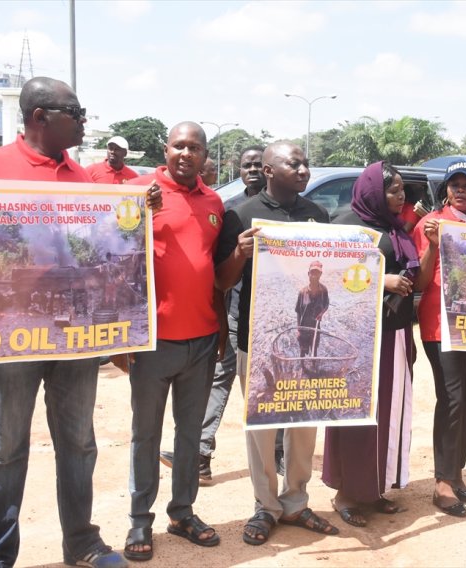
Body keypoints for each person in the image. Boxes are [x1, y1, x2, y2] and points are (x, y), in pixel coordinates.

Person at [0, 76, 127, 568]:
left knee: (78, 443)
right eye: (76, 113)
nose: (82, 122)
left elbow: (105, 251)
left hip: (74, 336)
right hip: (12, 335)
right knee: (5, 448)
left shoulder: (82, 179)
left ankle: (81, 542)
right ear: (40, 117)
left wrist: (132, 219)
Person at [216, 141, 339, 545]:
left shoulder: (317, 216)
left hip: (309, 338)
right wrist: (239, 251)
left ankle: (297, 501)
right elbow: (222, 281)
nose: (304, 169)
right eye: (294, 163)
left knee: (304, 422)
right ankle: (265, 506)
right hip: (259, 338)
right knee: (262, 427)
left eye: (305, 163)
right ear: (268, 170)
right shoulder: (240, 214)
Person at [115, 122, 224, 561]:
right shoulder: (139, 192)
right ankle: (140, 520)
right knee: (146, 435)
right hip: (153, 341)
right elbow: (114, 256)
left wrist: (220, 331)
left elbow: (215, 272)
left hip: (202, 339)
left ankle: (182, 513)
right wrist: (138, 214)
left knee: (188, 435)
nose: (185, 153)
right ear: (167, 149)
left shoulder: (215, 201)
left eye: (194, 147)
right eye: (179, 145)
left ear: (204, 156)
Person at [159, 146, 272, 482]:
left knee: (266, 383)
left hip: (270, 313)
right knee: (221, 377)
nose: (251, 170)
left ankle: (276, 453)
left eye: (257, 164)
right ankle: (201, 453)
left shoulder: (279, 207)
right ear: (239, 170)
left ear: (267, 169)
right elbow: (217, 268)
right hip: (233, 307)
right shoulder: (231, 210)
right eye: (246, 165)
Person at [324, 161, 418, 527]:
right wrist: (385, 281)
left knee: (387, 412)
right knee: (355, 412)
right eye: (393, 190)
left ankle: (373, 488)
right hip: (359, 334)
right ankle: (345, 493)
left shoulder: (394, 227)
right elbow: (336, 276)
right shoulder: (349, 226)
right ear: (374, 192)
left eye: (401, 190)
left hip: (395, 331)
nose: (401, 196)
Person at [412, 158, 466, 517]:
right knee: (451, 398)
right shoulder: (430, 224)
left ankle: (456, 470)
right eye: (455, 185)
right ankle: (442, 482)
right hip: (440, 324)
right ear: (446, 190)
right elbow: (419, 281)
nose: (461, 190)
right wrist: (433, 244)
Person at [295, 260, 329, 357]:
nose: (314, 275)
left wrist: (321, 314)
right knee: (302, 351)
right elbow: (298, 312)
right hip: (303, 328)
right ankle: (302, 368)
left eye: (317, 273)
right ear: (308, 274)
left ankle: (314, 367)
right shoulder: (302, 292)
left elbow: (326, 304)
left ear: (320, 274)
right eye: (312, 272)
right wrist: (298, 329)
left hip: (315, 328)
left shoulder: (324, 291)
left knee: (314, 351)